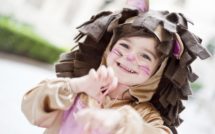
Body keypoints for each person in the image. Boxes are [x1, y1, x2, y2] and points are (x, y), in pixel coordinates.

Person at [21, 0, 211, 134]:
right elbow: (32, 109)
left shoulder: (146, 115)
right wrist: (77, 86)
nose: (130, 57)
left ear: (157, 71)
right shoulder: (77, 90)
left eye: (145, 56)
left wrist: (123, 122)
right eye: (124, 46)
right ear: (108, 49)